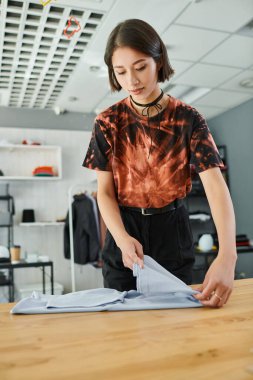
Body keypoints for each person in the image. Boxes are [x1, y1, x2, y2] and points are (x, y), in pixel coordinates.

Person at [83, 18, 237, 308]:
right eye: (121, 72)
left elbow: (216, 187)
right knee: (123, 325)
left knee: (175, 322)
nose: (131, 80)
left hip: (172, 228)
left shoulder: (189, 119)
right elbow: (104, 192)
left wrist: (228, 255)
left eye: (140, 67)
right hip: (123, 227)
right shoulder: (107, 122)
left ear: (158, 60)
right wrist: (121, 238)